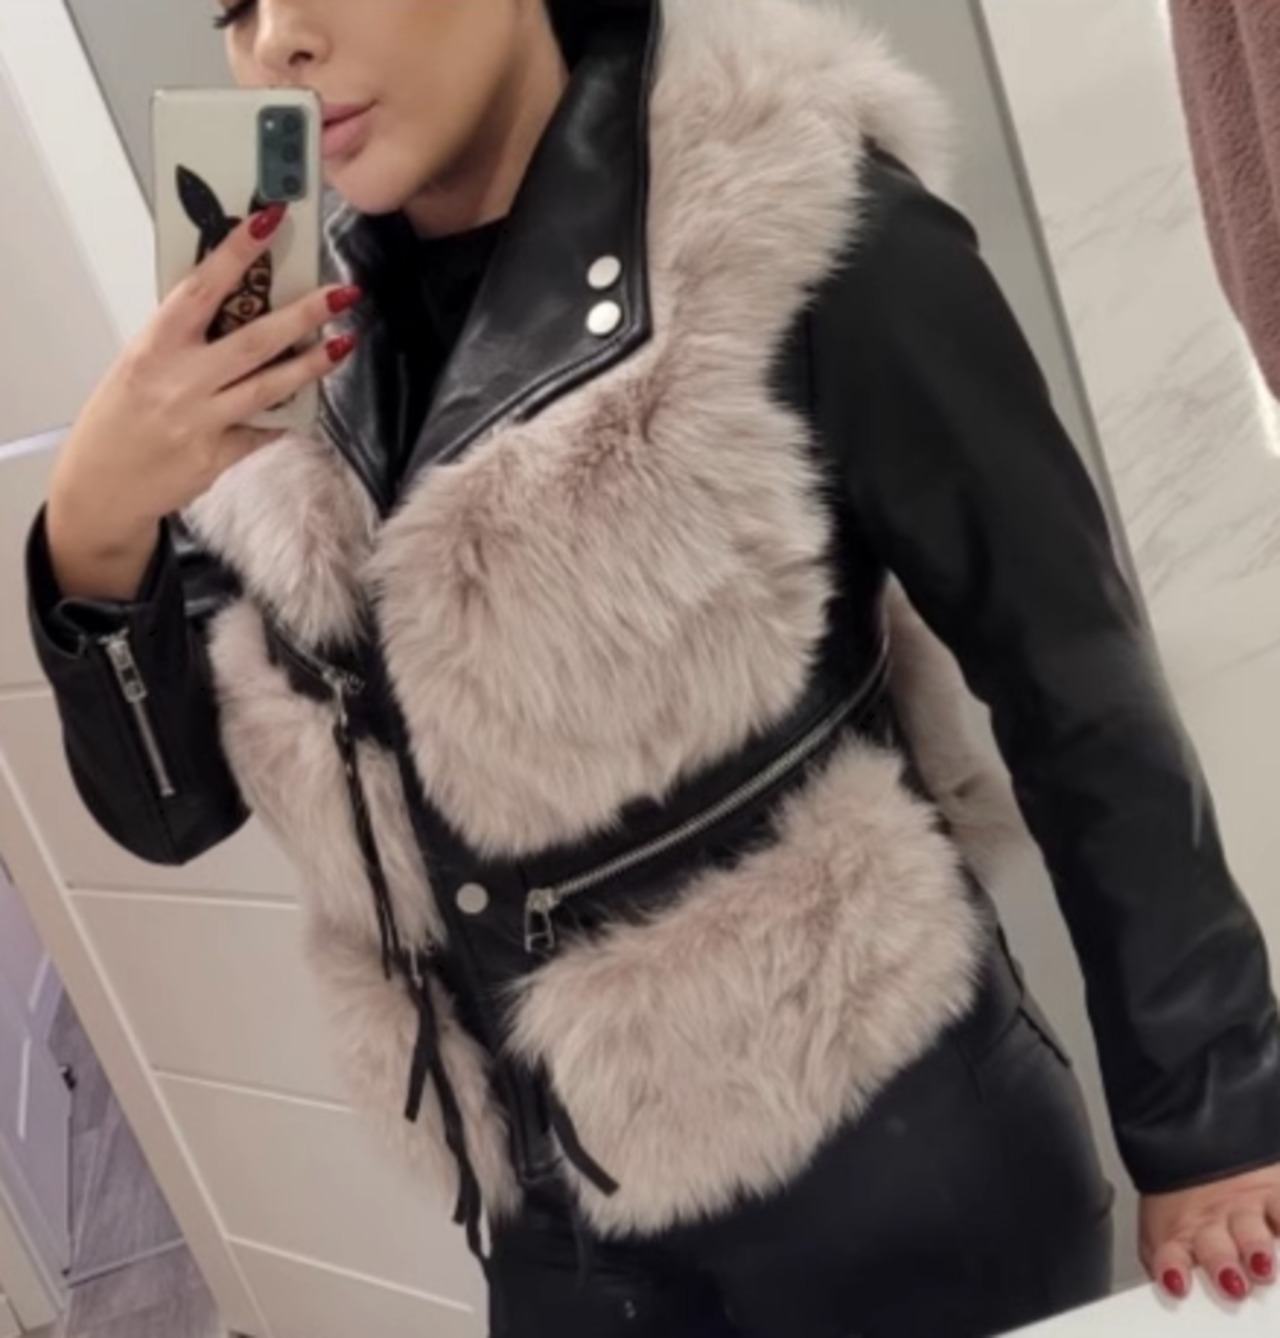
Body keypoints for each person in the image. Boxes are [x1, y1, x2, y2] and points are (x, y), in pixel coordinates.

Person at [25, 1, 1280, 1334]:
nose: (275, 40)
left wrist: (1212, 1117)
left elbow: (1072, 677)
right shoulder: (285, 345)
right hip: (553, 1241)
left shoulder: (787, 220)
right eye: (233, 3)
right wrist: (96, 523)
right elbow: (173, 812)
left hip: (897, 1192)